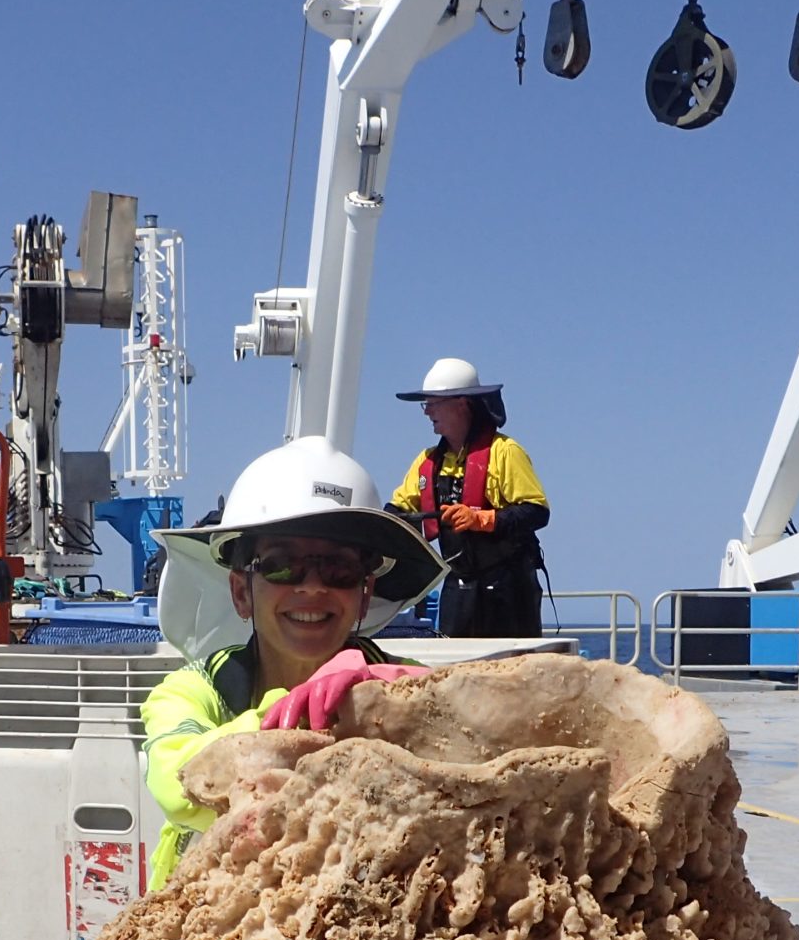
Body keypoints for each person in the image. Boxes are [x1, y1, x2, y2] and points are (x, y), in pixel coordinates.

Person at [143, 438, 446, 886]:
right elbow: (181, 784)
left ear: (364, 593)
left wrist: (382, 689)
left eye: (339, 570)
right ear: (242, 591)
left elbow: (470, 721)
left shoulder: (404, 682)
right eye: (283, 566)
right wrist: (306, 708)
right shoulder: (189, 692)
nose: (312, 587)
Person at [388, 357, 550, 638]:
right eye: (425, 404)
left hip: (509, 588)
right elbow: (398, 509)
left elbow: (536, 512)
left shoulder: (505, 451)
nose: (427, 412)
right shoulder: (427, 461)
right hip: (459, 585)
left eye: (433, 403)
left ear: (462, 404)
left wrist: (481, 519)